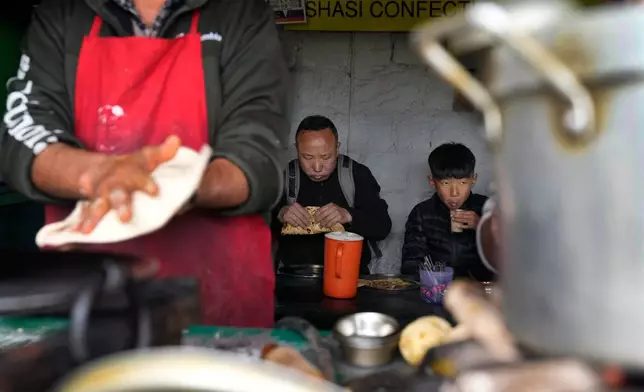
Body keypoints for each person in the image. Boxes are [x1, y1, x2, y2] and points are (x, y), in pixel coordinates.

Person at [0, 0, 290, 327]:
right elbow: (22, 136)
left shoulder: (241, 13)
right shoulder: (63, 13)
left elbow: (257, 154)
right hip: (87, 304)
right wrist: (97, 174)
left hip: (218, 310)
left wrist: (174, 184)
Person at [272, 115, 392, 275]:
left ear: (337, 149)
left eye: (325, 157)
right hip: (295, 278)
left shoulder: (356, 174)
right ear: (297, 149)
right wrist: (280, 214)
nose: (316, 167)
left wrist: (348, 215)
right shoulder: (285, 176)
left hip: (351, 277)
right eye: (307, 157)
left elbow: (383, 226)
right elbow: (256, 226)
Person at [401, 142, 493, 281]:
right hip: (437, 291)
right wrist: (434, 284)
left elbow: (511, 259)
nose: (454, 192)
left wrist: (482, 226)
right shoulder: (422, 213)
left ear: (473, 179)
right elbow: (410, 265)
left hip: (481, 293)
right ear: (432, 181)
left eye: (462, 183)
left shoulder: (487, 207)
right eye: (445, 183)